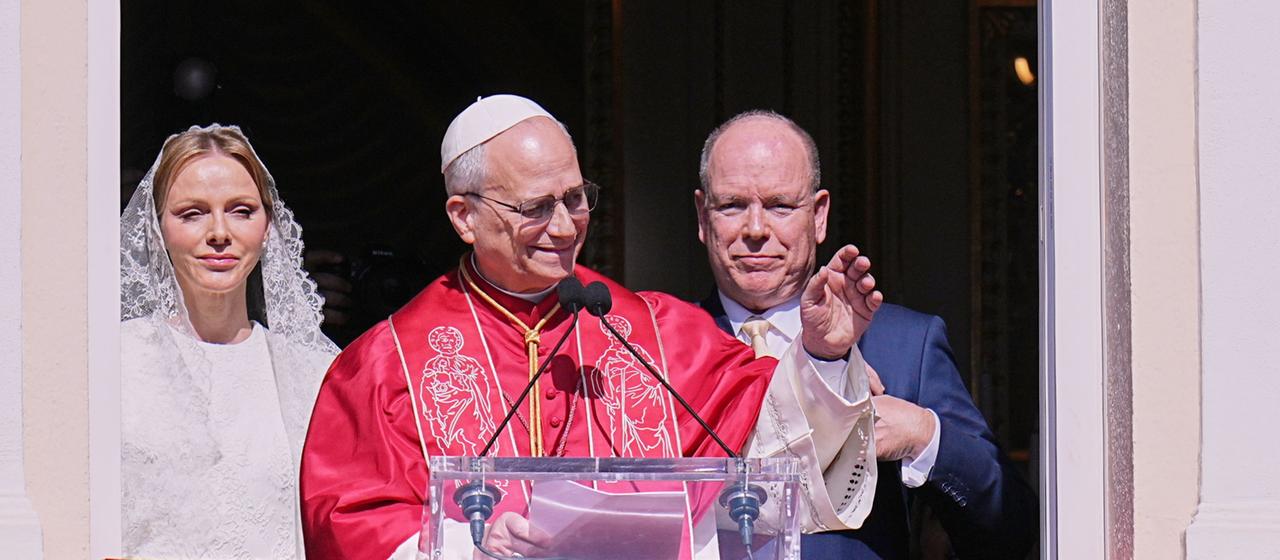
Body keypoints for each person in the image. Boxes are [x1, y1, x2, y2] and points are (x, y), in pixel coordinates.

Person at [300, 95, 885, 560]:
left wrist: (824, 357)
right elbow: (348, 524)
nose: (563, 228)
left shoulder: (653, 333)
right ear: (465, 217)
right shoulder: (385, 365)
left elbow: (771, 459)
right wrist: (469, 548)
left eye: (576, 199)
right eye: (535, 207)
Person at [694, 111, 1037, 559]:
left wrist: (923, 436)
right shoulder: (657, 346)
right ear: (702, 217)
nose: (756, 229)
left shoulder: (903, 345)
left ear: (818, 216)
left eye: (780, 205)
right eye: (732, 205)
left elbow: (1008, 529)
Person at [119, 124, 339, 559]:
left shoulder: (314, 374)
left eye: (241, 210)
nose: (219, 232)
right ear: (158, 228)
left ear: (267, 227)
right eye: (192, 213)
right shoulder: (115, 360)